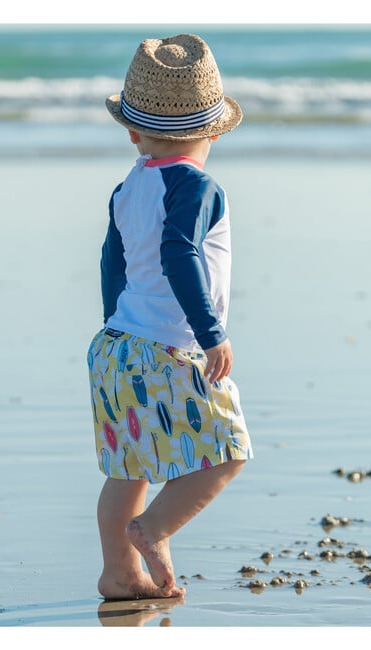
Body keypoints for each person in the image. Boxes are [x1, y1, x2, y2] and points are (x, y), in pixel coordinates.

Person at [87, 33, 253, 601]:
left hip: (117, 344)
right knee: (227, 452)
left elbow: (112, 261)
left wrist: (119, 324)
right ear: (212, 131)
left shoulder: (128, 185)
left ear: (133, 132)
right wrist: (212, 333)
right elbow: (179, 252)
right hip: (170, 345)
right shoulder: (198, 185)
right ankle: (153, 530)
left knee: (128, 467)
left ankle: (119, 576)